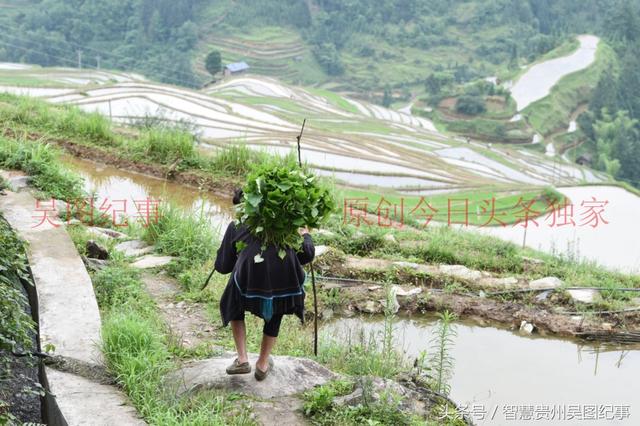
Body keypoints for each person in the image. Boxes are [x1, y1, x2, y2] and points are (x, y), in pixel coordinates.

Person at [214, 188, 315, 380]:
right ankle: (262, 363)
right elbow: (306, 255)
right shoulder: (287, 226)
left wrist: (225, 256)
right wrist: (305, 234)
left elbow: (223, 266)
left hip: (248, 287)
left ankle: (243, 359)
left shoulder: (237, 225)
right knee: (276, 310)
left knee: (232, 299)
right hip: (284, 288)